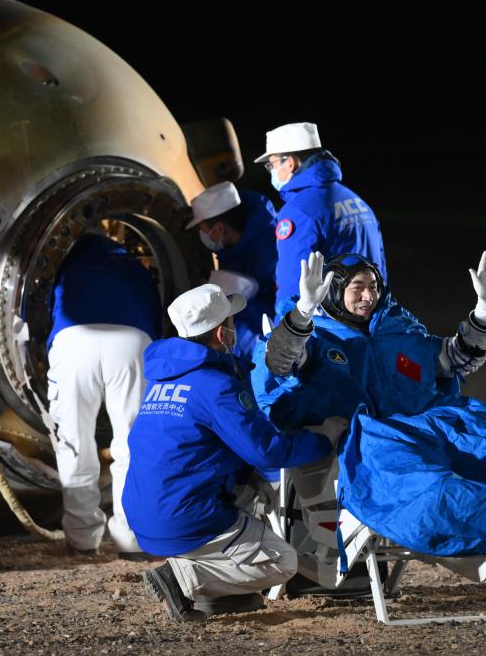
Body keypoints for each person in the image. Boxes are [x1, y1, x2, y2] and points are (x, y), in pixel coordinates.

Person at [252, 250, 486, 558]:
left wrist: (485, 309)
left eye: (373, 286)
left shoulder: (397, 326)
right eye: (357, 287)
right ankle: (475, 516)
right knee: (435, 492)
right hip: (375, 435)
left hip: (434, 422)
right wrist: (303, 312)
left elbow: (452, 359)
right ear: (335, 290)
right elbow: (281, 360)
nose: (368, 295)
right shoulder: (317, 338)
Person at [122, 284, 341, 623]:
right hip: (184, 519)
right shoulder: (214, 385)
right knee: (281, 561)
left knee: (250, 488)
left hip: (145, 515)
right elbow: (267, 451)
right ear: (222, 333)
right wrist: (324, 440)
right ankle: (183, 580)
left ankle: (216, 596)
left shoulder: (163, 381)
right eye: (232, 321)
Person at [46, 233, 162, 558]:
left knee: (74, 440)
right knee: (130, 443)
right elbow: (156, 312)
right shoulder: (134, 266)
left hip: (73, 340)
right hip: (132, 339)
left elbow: (47, 309)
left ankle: (82, 540)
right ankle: (131, 539)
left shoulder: (71, 263)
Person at [254, 122, 388, 305]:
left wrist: (285, 329)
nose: (272, 171)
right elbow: (380, 270)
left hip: (328, 326)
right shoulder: (356, 201)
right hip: (367, 315)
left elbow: (294, 285)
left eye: (272, 164)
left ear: (290, 163)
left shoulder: (299, 211)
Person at [186, 181, 277, 361]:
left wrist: (235, 308)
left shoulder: (273, 252)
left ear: (220, 228)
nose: (201, 234)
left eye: (203, 228)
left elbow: (280, 305)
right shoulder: (234, 246)